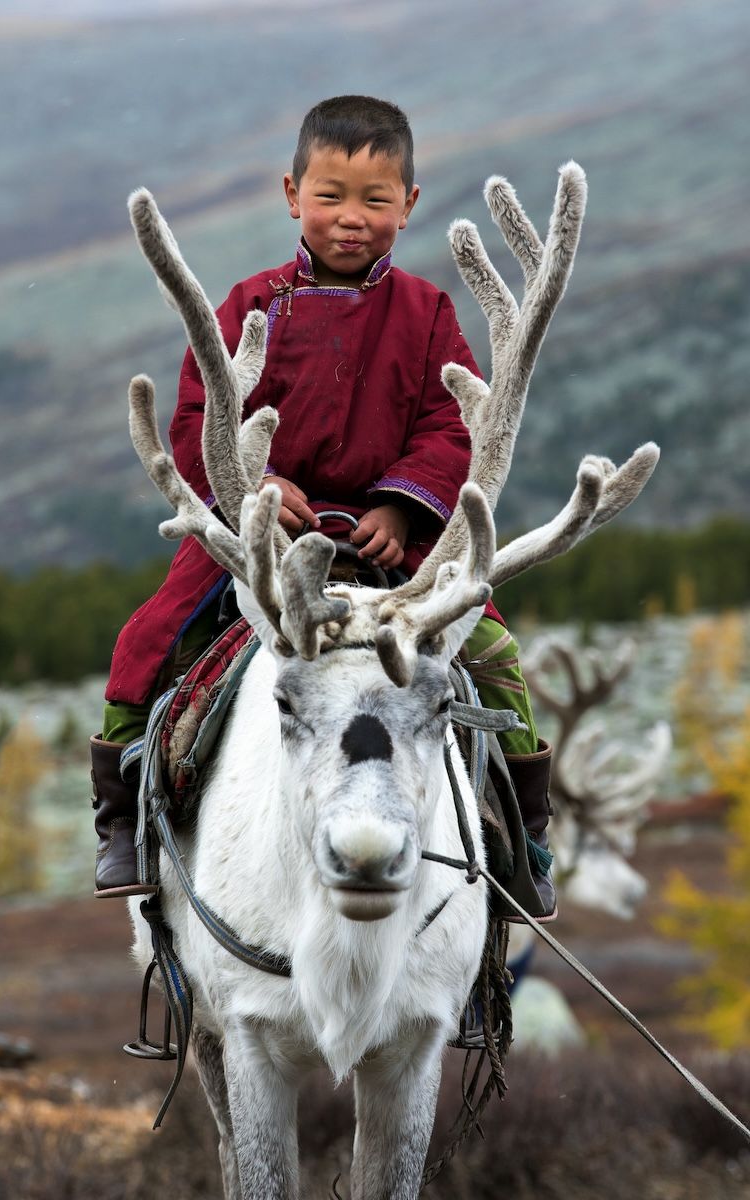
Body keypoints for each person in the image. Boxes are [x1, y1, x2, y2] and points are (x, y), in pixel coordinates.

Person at [91, 95, 554, 920]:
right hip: (263, 543)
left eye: (376, 201)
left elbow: (456, 422)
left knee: (493, 652)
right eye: (331, 196)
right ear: (290, 193)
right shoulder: (244, 307)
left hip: (392, 551)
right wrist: (259, 486)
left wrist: (405, 511)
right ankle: (122, 816)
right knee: (149, 637)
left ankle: (524, 836)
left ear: (409, 206)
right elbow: (202, 419)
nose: (351, 219)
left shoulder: (426, 312)